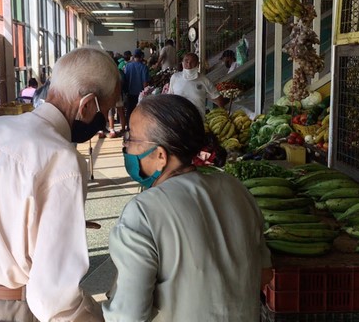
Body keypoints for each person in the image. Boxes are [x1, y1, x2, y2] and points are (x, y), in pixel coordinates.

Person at [0, 47, 121, 322]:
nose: (103, 122)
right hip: (15, 309)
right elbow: (53, 297)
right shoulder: (62, 160)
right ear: (87, 105)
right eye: (106, 110)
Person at [102, 94, 272, 321]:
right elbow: (264, 274)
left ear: (160, 155)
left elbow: (127, 316)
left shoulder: (142, 213)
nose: (127, 147)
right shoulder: (236, 189)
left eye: (131, 138)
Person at [168, 52, 227, 120]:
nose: (189, 65)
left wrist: (224, 115)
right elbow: (170, 97)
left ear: (197, 65)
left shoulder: (204, 80)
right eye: (186, 61)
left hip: (198, 120)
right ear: (182, 63)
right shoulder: (175, 77)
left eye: (192, 62)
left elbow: (217, 97)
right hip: (179, 119)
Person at [124, 48, 150, 127]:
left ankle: (129, 126)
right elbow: (145, 82)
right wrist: (146, 93)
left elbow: (125, 79)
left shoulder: (127, 66)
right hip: (140, 93)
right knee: (140, 110)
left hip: (130, 92)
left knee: (130, 110)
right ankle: (139, 127)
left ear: (133, 56)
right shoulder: (144, 67)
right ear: (141, 56)